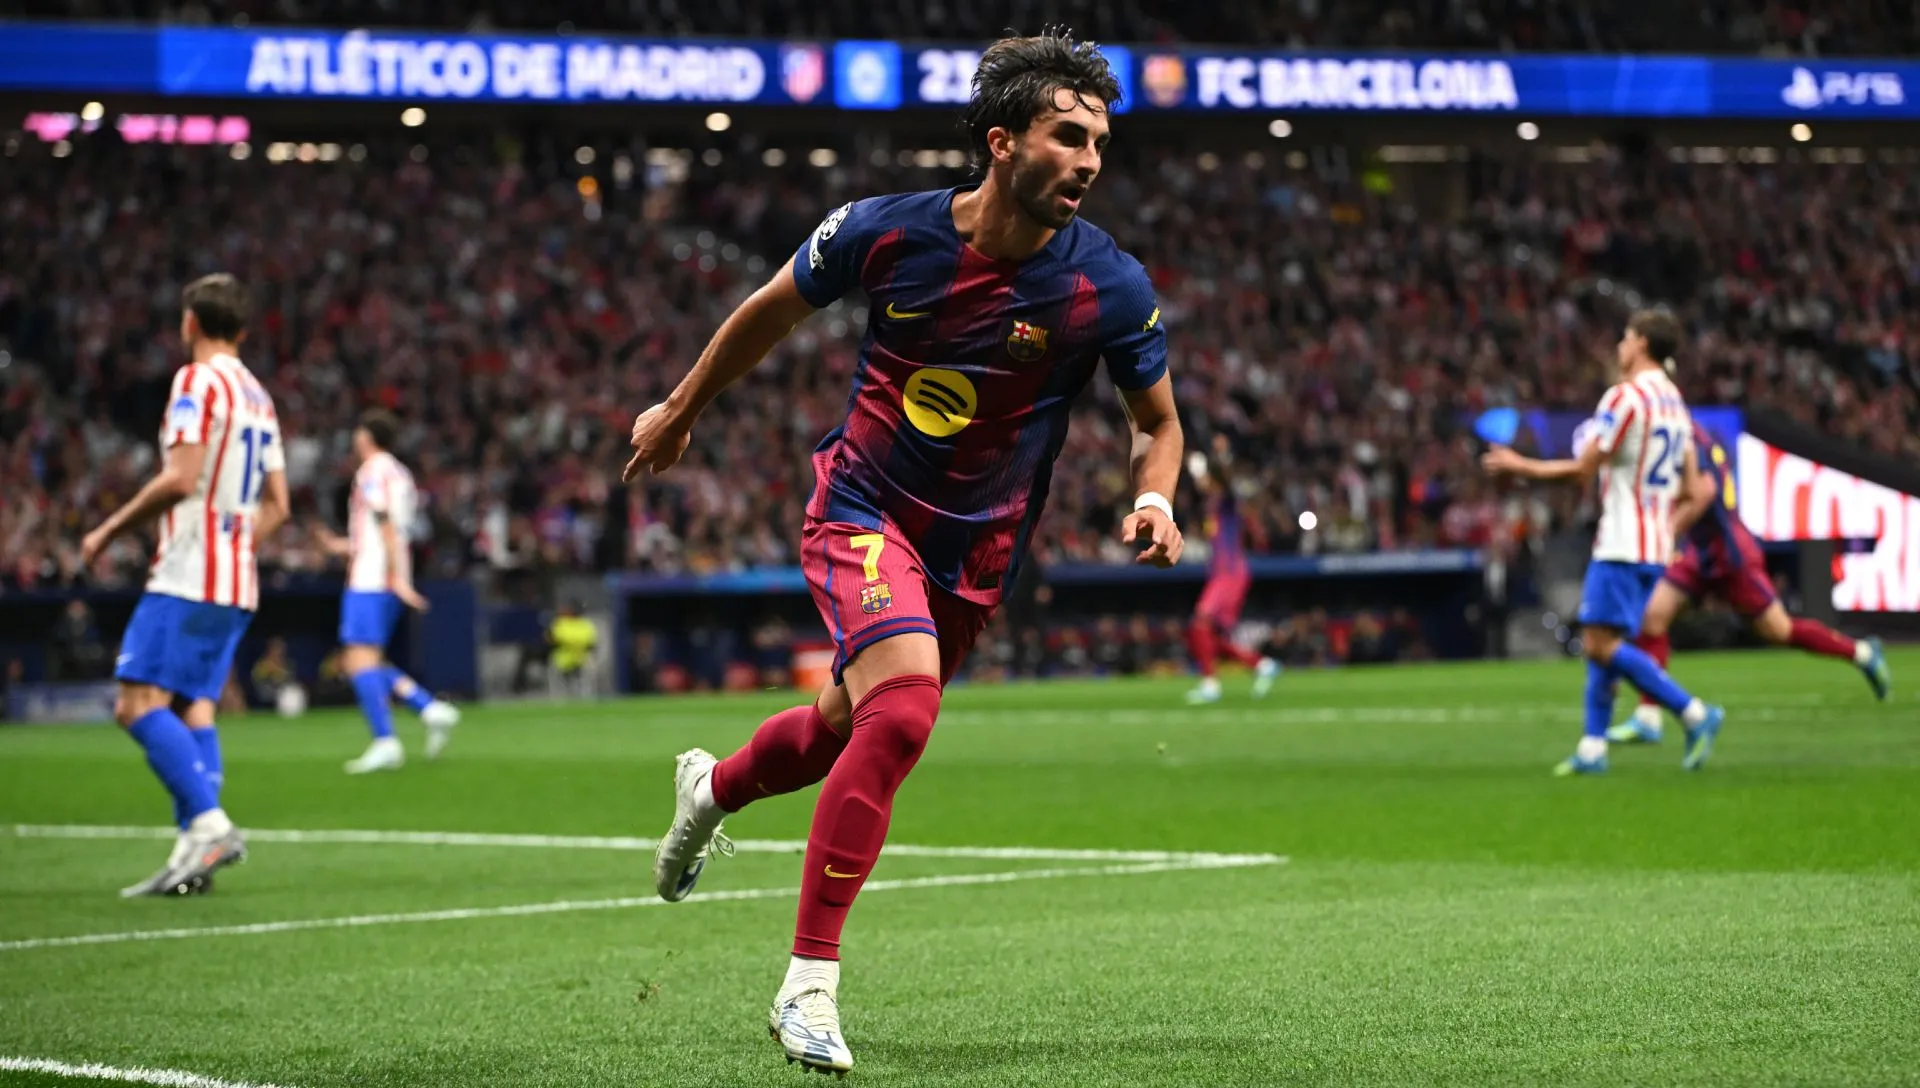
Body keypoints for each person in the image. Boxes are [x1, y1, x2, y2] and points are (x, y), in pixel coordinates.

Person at [629, 31, 1182, 1075]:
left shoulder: (1106, 285)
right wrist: (680, 406)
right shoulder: (886, 233)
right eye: (1069, 136)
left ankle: (712, 790)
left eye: (1100, 141)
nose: (1091, 160)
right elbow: (769, 311)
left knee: (845, 731)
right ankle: (809, 984)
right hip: (862, 507)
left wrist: (1155, 489)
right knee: (907, 707)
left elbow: (1158, 418)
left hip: (974, 557)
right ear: (1000, 140)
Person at [79, 273, 288, 896]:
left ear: (189, 323)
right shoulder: (260, 396)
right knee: (194, 703)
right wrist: (236, 545)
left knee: (135, 704)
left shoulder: (195, 381)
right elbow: (278, 504)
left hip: (188, 572)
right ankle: (190, 856)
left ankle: (209, 823)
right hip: (234, 578)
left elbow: (180, 477)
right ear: (243, 330)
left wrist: (108, 530)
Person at [1483, 309, 1726, 775]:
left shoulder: (1626, 398)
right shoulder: (1677, 406)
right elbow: (1693, 490)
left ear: (1641, 345)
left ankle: (1694, 713)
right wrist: (1663, 522)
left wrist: (1520, 466)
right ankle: (1593, 748)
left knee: (1596, 643)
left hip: (1622, 541)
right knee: (1604, 636)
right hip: (1655, 543)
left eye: (1626, 337)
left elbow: (1582, 468)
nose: (1620, 346)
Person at [1609, 428, 1891, 744]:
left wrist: (1665, 535)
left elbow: (1704, 491)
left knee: (1778, 630)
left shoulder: (1684, 437)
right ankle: (1649, 717)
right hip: (1699, 553)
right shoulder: (1691, 434)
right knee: (1653, 617)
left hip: (1730, 554)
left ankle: (1862, 652)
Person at [315, 410, 459, 774]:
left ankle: (386, 741)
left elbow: (386, 528)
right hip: (384, 575)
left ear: (366, 436)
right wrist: (340, 546)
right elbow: (386, 531)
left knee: (357, 661)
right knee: (367, 660)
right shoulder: (400, 473)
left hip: (373, 579)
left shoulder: (372, 470)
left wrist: (396, 578)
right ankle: (428, 708)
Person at [1184, 435, 1281, 703]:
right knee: (1207, 634)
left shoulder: (1226, 500)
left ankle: (1210, 685)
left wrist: (1220, 456)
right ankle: (1262, 665)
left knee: (1199, 622)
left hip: (1230, 574)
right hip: (1222, 574)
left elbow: (1224, 480)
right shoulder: (1212, 505)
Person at [546, 599, 599, 697]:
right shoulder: (560, 623)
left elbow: (591, 643)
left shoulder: (585, 625)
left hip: (581, 659)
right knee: (556, 677)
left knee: (589, 671)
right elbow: (551, 639)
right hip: (562, 659)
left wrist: (570, 643)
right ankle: (558, 701)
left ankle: (586, 699)